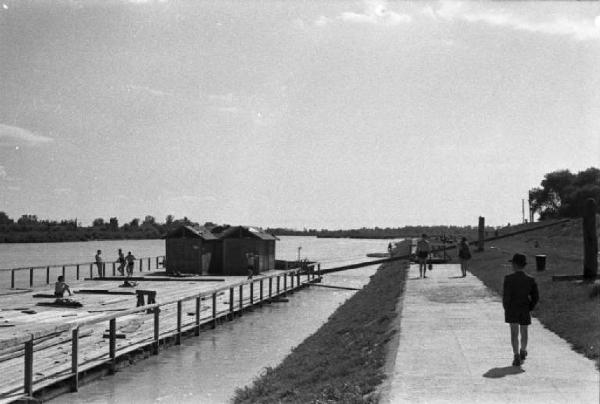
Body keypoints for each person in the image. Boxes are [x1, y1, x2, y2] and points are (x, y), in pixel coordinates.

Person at [503, 253, 539, 367]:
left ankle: (516, 355)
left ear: (514, 264)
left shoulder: (508, 279)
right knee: (524, 331)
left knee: (514, 333)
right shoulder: (530, 279)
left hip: (512, 309)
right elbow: (535, 296)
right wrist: (530, 307)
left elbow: (506, 297)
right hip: (524, 308)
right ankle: (523, 350)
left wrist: (506, 307)